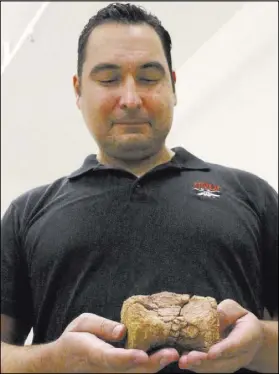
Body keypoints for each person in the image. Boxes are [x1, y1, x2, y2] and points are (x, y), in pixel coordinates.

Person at [1, 2, 278, 373]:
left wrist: (260, 343)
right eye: (108, 78)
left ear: (173, 86)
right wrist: (55, 361)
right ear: (79, 90)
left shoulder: (251, 195)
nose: (131, 99)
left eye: (149, 77)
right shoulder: (27, 213)